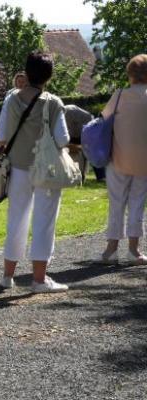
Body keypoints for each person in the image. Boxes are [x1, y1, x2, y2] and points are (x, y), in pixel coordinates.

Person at [0, 51, 70, 293]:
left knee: (16, 220)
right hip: (46, 170)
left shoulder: (11, 99)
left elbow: (1, 136)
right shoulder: (53, 102)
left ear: (26, 73)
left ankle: (8, 276)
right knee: (44, 222)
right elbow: (63, 138)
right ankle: (39, 279)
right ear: (49, 76)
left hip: (17, 167)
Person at [100, 54, 147, 265]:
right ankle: (134, 250)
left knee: (116, 203)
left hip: (118, 157)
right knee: (137, 204)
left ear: (130, 74)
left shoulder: (119, 95)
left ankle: (111, 250)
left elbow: (103, 118)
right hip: (144, 161)